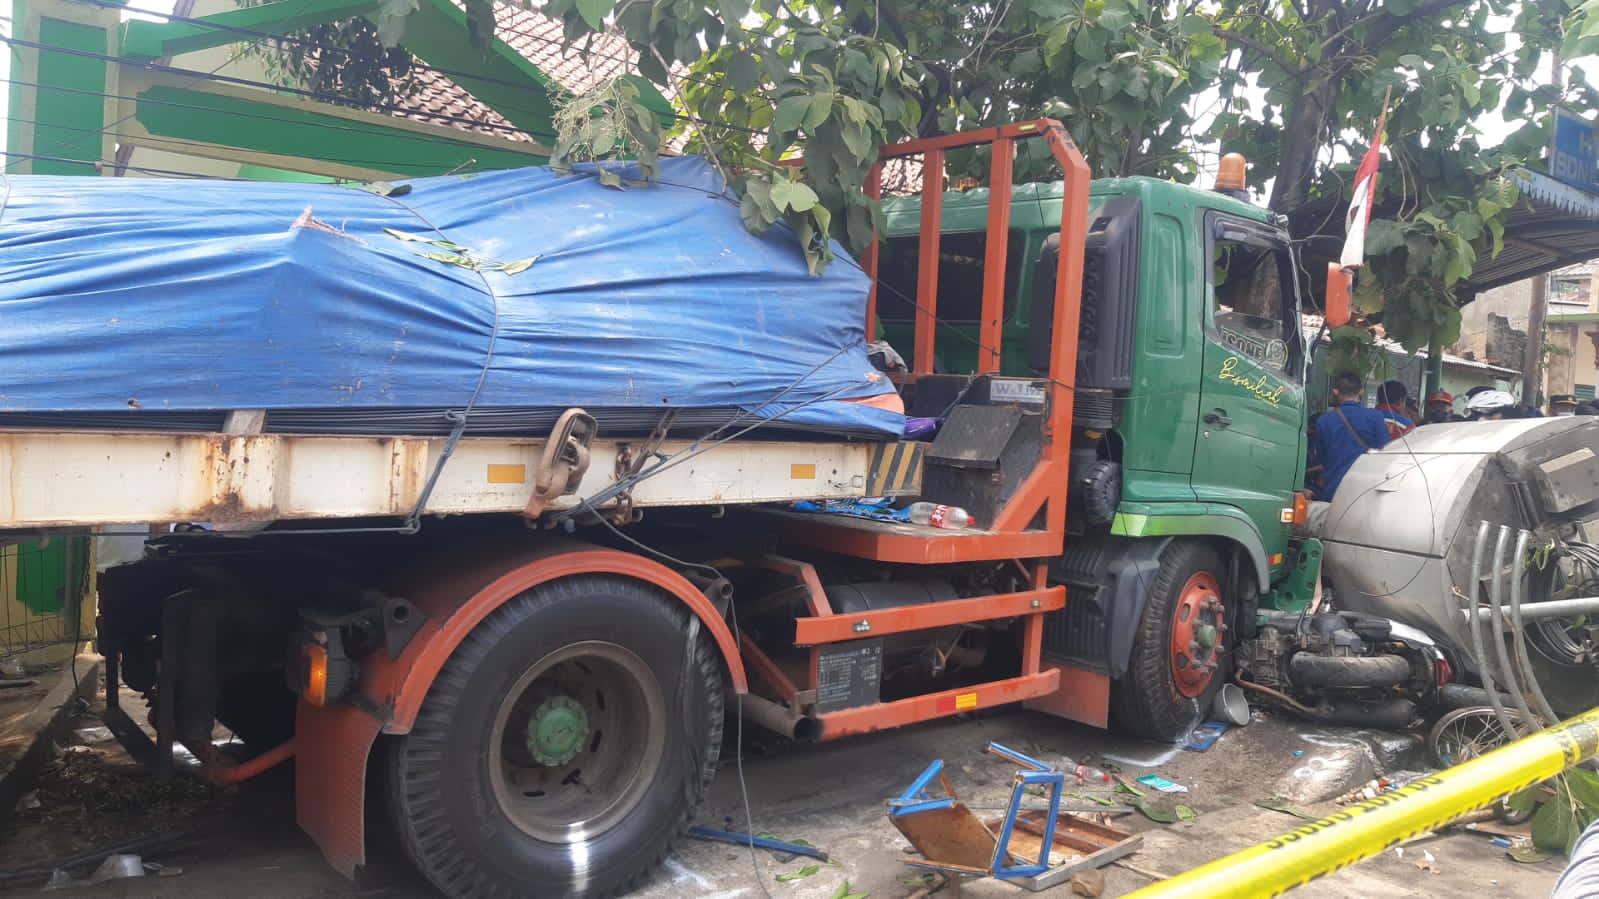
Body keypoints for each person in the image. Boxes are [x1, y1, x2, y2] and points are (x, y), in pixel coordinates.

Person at [1311, 372, 1392, 503]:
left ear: (1335, 392)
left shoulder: (1323, 421)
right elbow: (1386, 452)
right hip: (1364, 491)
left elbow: (1322, 458)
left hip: (1334, 490)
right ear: (1361, 391)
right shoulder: (1375, 417)